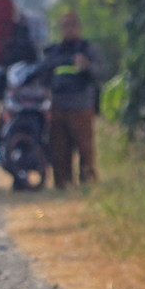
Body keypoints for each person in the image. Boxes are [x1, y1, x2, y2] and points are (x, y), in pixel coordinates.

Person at [40, 11, 104, 188]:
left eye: (72, 25)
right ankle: (62, 184)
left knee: (85, 149)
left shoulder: (87, 49)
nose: (69, 29)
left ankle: (87, 184)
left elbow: (101, 72)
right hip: (58, 107)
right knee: (59, 150)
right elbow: (44, 76)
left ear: (78, 28)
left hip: (81, 107)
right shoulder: (54, 52)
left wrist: (87, 66)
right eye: (65, 26)